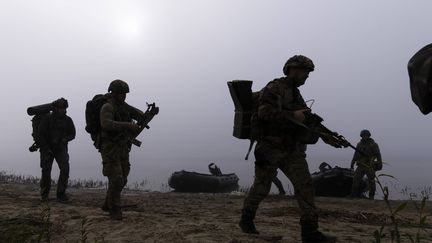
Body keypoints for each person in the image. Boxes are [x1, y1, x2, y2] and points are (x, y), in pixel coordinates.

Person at [239, 55, 341, 242]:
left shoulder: (296, 93)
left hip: (292, 149)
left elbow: (307, 120)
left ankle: (310, 232)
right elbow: (264, 113)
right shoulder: (275, 87)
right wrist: (292, 115)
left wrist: (329, 137)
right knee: (261, 188)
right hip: (270, 148)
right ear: (293, 69)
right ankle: (246, 220)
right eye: (305, 72)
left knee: (305, 186)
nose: (307, 77)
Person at [99, 79, 151, 220]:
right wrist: (128, 125)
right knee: (116, 177)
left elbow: (137, 113)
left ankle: (107, 203)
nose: (123, 96)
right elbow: (106, 124)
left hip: (123, 146)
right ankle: (114, 208)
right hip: (110, 147)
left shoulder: (124, 106)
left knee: (124, 177)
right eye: (121, 93)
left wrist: (148, 114)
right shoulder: (108, 107)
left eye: (125, 93)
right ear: (114, 93)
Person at [36, 98, 75, 202]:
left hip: (60, 148)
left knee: (65, 169)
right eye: (60, 108)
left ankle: (61, 194)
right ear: (56, 108)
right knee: (46, 171)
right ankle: (44, 195)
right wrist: (46, 147)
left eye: (64, 108)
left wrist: (65, 139)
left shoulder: (68, 120)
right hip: (47, 148)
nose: (62, 110)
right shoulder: (47, 119)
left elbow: (73, 134)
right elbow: (40, 134)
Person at [350, 129, 382, 200]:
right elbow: (356, 154)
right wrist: (352, 162)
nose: (365, 136)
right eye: (363, 135)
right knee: (355, 180)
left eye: (366, 135)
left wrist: (379, 164)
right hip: (360, 165)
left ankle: (371, 196)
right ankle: (353, 195)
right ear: (361, 136)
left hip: (369, 166)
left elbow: (378, 155)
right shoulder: (359, 144)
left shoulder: (373, 145)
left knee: (371, 181)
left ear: (369, 135)